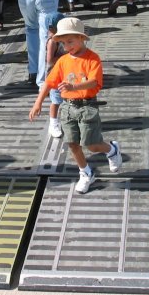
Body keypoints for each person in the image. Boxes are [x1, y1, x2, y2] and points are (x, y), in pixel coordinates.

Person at [28, 17, 122, 194]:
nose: (66, 46)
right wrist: (37, 103)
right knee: (72, 143)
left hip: (87, 106)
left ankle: (112, 149)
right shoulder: (63, 60)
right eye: (63, 43)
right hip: (67, 107)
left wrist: (74, 86)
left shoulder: (92, 58)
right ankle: (86, 173)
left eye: (70, 41)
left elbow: (94, 82)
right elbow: (49, 82)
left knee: (92, 145)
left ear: (81, 38)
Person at [45, 12, 65, 138]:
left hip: (64, 73)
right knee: (56, 100)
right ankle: (53, 124)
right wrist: (65, 56)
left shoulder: (61, 38)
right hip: (55, 75)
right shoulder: (52, 41)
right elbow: (50, 60)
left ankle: (69, 121)